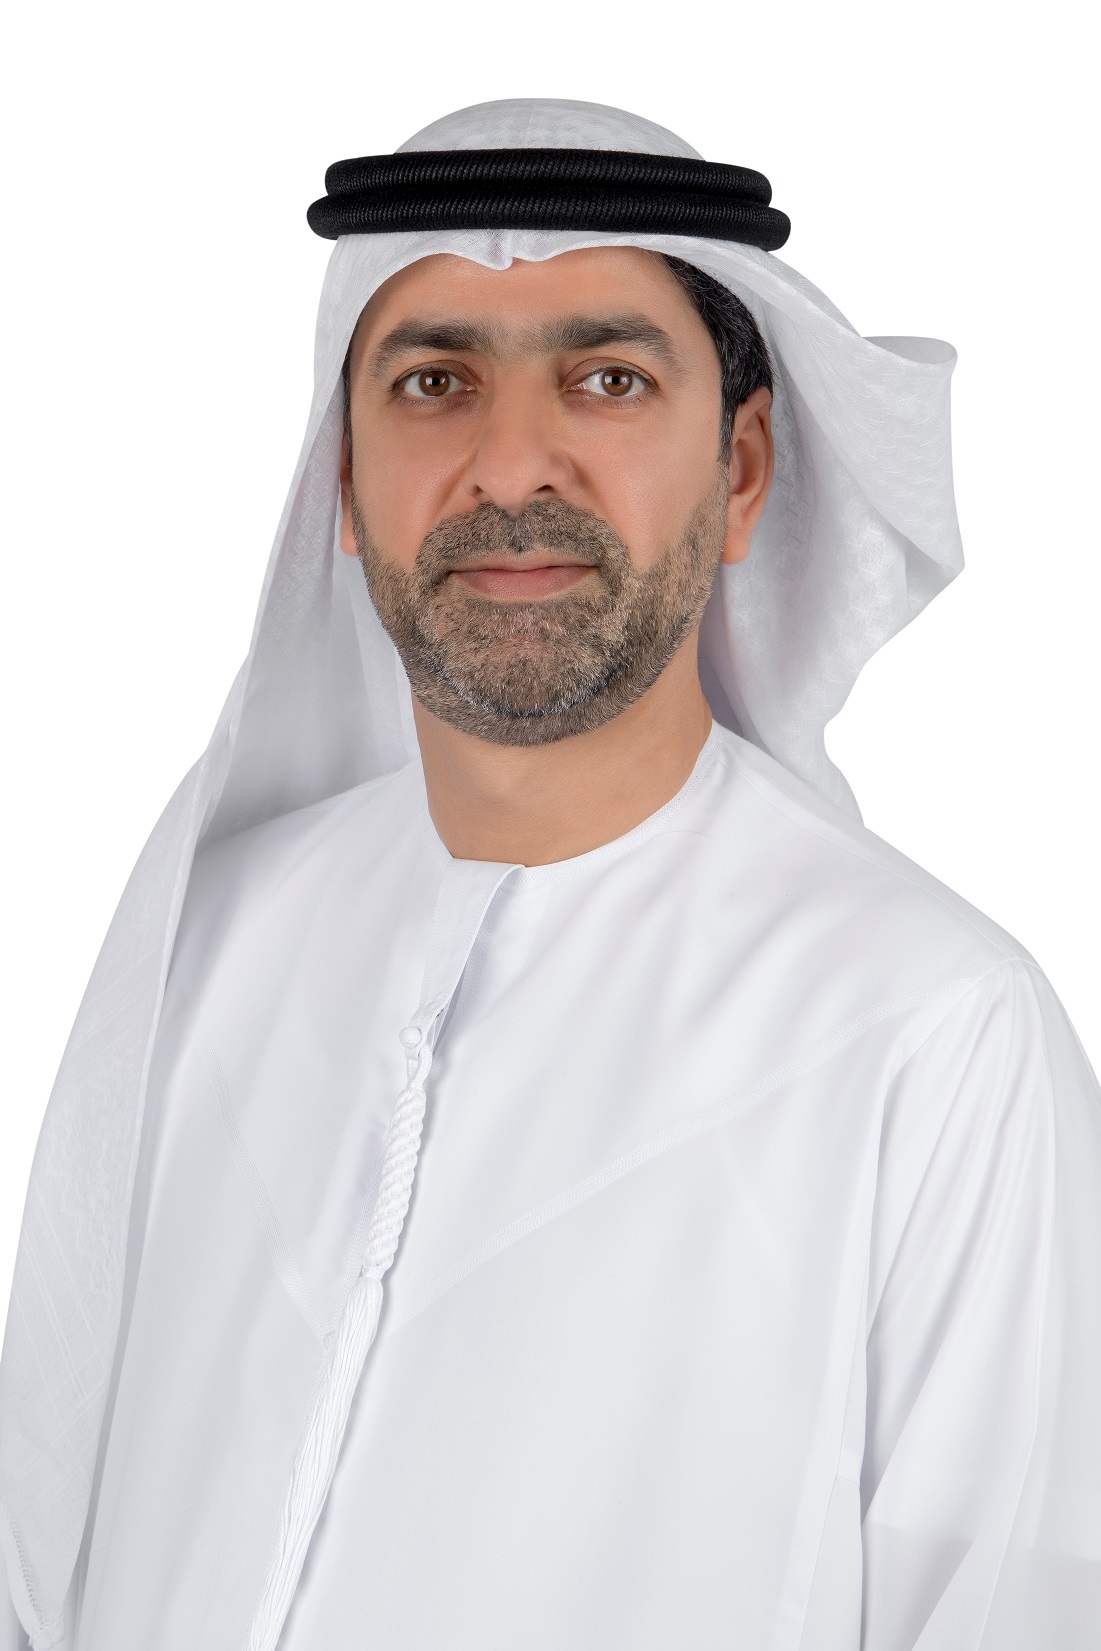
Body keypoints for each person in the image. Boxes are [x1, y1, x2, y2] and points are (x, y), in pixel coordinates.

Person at [2, 98, 1099, 1651]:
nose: (510, 462)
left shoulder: (931, 1035)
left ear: (741, 471)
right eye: (434, 381)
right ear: (342, 480)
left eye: (608, 379)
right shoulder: (205, 944)